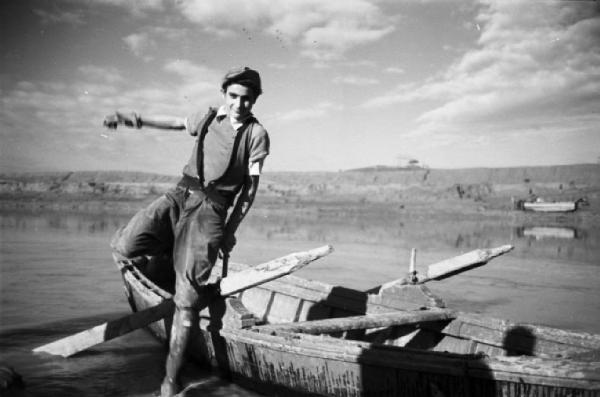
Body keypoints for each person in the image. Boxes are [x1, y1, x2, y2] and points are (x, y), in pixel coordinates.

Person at [103, 66, 269, 397]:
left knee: (187, 300)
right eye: (234, 96)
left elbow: (249, 190)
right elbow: (175, 123)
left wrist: (231, 230)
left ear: (254, 101)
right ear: (225, 94)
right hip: (180, 194)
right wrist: (131, 119)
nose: (239, 104)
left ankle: (170, 379)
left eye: (247, 99)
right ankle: (171, 256)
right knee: (124, 244)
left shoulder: (256, 135)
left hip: (212, 212)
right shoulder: (208, 117)